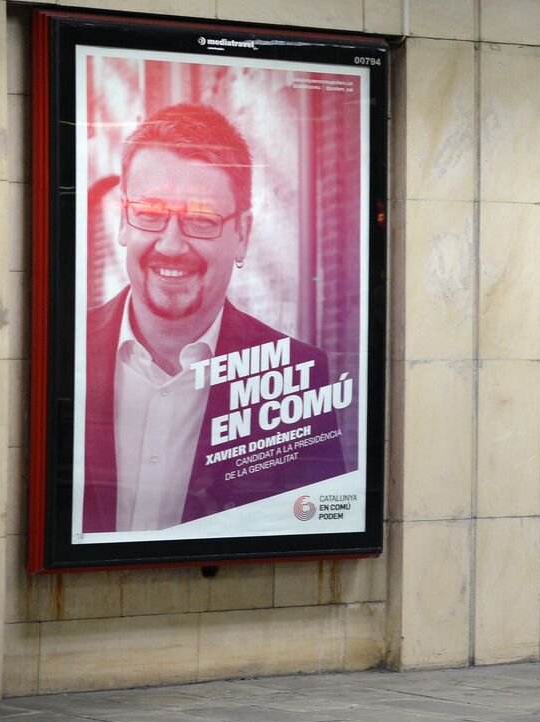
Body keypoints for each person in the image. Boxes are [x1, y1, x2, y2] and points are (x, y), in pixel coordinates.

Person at [83, 103, 346, 533]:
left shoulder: (294, 376)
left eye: (201, 219)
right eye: (149, 213)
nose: (170, 246)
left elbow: (309, 531)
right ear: (124, 222)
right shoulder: (60, 351)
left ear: (241, 234)